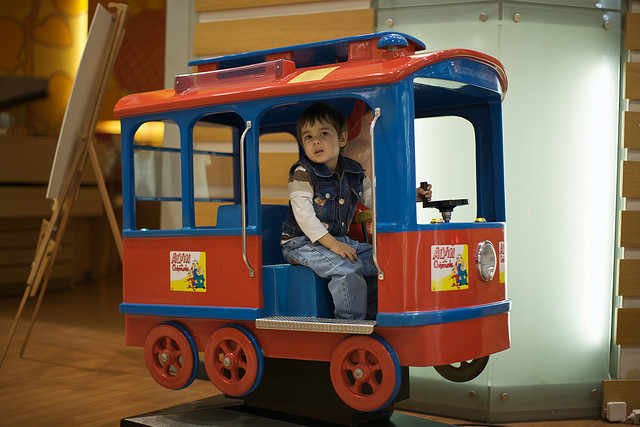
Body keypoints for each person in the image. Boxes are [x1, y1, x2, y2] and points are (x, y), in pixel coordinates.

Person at [281, 103, 432, 320]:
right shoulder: (302, 173)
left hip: (338, 239)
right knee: (346, 269)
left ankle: (375, 317)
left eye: (323, 133)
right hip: (301, 243)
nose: (315, 140)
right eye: (307, 136)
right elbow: (304, 216)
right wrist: (333, 244)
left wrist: (413, 196)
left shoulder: (355, 172)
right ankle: (351, 325)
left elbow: (377, 199)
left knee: (380, 261)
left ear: (342, 139)